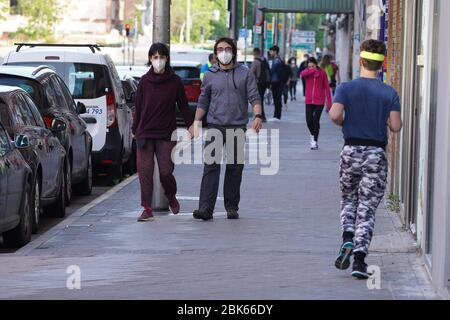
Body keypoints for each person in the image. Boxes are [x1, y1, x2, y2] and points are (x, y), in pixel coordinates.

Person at [329, 39, 402, 279]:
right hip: (375, 154)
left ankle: (347, 237)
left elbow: (335, 115)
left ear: (361, 60)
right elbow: (395, 126)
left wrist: (345, 122)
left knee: (349, 199)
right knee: (368, 208)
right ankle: (359, 261)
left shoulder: (346, 88)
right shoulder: (389, 92)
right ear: (382, 64)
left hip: (351, 150)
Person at [189, 37, 263, 221]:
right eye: (220, 49)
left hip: (237, 127)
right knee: (211, 167)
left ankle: (231, 207)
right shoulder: (209, 75)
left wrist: (258, 116)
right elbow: (203, 100)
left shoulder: (245, 73)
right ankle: (205, 208)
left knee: (234, 168)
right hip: (215, 126)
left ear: (234, 52)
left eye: (227, 48)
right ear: (215, 54)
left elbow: (254, 97)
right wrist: (196, 122)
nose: (224, 52)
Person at [132, 42, 194, 222]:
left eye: (162, 57)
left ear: (167, 59)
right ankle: (146, 207)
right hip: (145, 132)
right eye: (155, 57)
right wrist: (135, 130)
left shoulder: (174, 82)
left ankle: (171, 195)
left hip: (166, 133)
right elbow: (139, 107)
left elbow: (183, 105)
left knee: (166, 171)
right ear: (150, 59)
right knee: (145, 172)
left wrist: (191, 125)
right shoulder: (144, 81)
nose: (158, 61)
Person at [300, 57, 332, 150]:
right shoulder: (307, 72)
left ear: (316, 64)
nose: (311, 68)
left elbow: (327, 88)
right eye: (309, 66)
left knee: (315, 120)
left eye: (313, 66)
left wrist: (329, 103)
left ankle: (314, 141)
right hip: (309, 100)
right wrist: (312, 71)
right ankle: (313, 134)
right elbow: (302, 74)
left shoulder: (322, 73)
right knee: (309, 120)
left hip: (319, 101)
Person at [250, 48, 270, 122]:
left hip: (258, 83)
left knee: (258, 100)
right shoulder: (264, 60)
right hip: (265, 83)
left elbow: (251, 73)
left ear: (254, 53)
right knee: (261, 99)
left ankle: (260, 116)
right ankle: (262, 116)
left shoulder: (255, 62)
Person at [267, 45, 284, 121]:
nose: (270, 52)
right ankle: (276, 115)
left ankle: (277, 116)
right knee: (277, 98)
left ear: (275, 51)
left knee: (277, 98)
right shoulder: (277, 59)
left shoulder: (276, 60)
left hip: (276, 82)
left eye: (271, 51)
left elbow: (272, 70)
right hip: (277, 81)